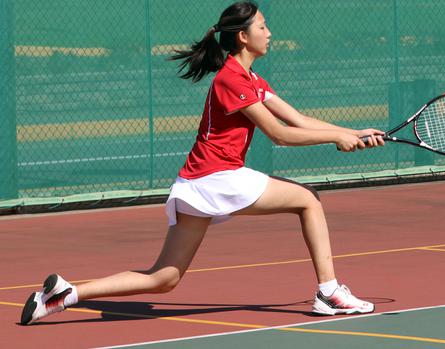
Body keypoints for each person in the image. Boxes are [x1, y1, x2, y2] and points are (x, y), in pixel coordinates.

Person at [21, 1, 385, 325]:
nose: (269, 33)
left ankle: (64, 295)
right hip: (218, 176)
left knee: (164, 278)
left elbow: (300, 121)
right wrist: (338, 137)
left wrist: (353, 131)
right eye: (262, 26)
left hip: (198, 181)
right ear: (243, 37)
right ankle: (329, 292)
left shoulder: (252, 79)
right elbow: (279, 134)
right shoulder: (231, 79)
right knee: (308, 199)